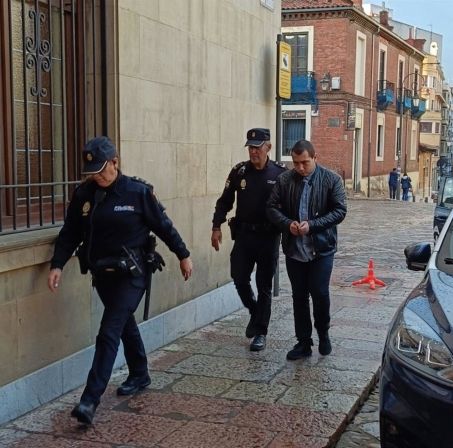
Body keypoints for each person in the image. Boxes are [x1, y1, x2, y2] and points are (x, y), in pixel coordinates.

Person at [47, 136, 193, 425]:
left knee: (109, 330)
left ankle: (89, 400)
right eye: (92, 172)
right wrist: (57, 265)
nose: (97, 177)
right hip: (102, 274)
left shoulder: (137, 192)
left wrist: (183, 254)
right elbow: (70, 232)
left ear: (115, 162)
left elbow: (163, 226)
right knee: (123, 322)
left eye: (102, 170)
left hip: (132, 274)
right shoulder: (84, 194)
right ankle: (140, 373)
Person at [266, 139, 347, 360]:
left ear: (315, 158)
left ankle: (323, 333)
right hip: (295, 249)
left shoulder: (331, 180)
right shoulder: (284, 180)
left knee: (320, 293)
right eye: (296, 163)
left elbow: (340, 211)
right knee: (299, 296)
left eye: (305, 163)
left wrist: (312, 225)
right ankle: (303, 341)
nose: (300, 167)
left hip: (322, 248)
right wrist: (287, 224)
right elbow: (271, 208)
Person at [211, 128, 286, 352]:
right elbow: (224, 201)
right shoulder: (239, 171)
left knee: (264, 285)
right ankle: (255, 312)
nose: (253, 152)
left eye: (258, 147)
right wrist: (216, 226)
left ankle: (261, 332)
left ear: (268, 147)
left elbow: (289, 205)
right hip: (244, 236)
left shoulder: (280, 174)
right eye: (251, 147)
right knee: (239, 277)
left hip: (268, 237)